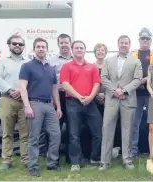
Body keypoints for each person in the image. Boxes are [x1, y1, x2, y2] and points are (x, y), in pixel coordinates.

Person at [19, 37, 63, 177]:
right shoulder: (27, 66)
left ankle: (52, 164)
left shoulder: (51, 68)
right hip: (34, 104)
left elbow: (54, 89)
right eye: (38, 47)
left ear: (47, 49)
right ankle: (33, 166)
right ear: (34, 49)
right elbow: (22, 87)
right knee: (34, 137)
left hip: (49, 106)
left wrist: (59, 107)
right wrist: (27, 106)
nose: (41, 49)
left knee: (56, 135)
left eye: (43, 47)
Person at [99, 35, 142, 171]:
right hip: (111, 99)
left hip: (128, 99)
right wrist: (115, 91)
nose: (124, 45)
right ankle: (105, 161)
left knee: (127, 130)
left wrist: (124, 91)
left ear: (129, 45)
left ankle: (127, 160)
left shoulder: (136, 61)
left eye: (126, 43)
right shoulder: (108, 61)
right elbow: (103, 78)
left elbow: (137, 79)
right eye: (121, 43)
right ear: (118, 44)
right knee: (107, 129)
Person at [60, 40, 103, 171]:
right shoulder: (66, 66)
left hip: (90, 103)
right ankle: (75, 162)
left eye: (81, 48)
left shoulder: (92, 67)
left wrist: (90, 97)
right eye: (77, 48)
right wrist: (79, 96)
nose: (79, 50)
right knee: (73, 133)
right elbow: (65, 84)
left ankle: (95, 158)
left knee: (98, 131)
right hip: (73, 102)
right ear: (72, 50)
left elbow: (97, 83)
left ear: (85, 50)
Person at [0, 35, 30, 171]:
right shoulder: (2, 61)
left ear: (23, 46)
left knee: (25, 133)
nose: (17, 46)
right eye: (14, 43)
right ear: (9, 45)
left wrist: (21, 92)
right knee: (7, 132)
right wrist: (10, 90)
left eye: (20, 44)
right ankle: (6, 161)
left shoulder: (28, 62)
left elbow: (31, 81)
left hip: (24, 101)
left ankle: (26, 159)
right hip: (7, 99)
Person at [131, 27, 153, 158]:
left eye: (147, 38)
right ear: (139, 39)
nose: (145, 40)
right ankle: (132, 149)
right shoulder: (132, 55)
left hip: (152, 93)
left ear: (150, 40)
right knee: (134, 122)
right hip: (136, 94)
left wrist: (145, 80)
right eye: (142, 38)